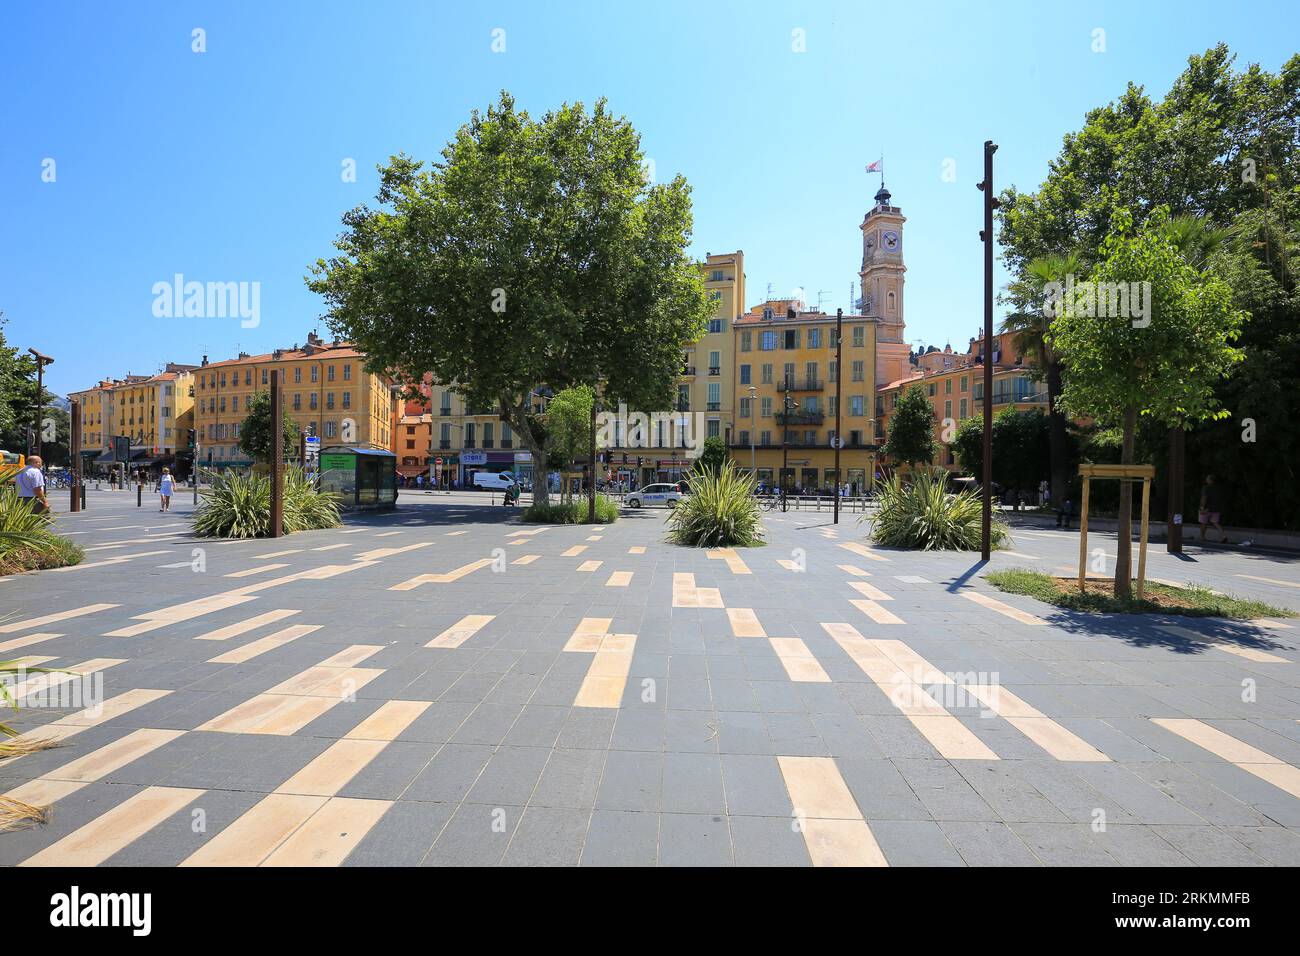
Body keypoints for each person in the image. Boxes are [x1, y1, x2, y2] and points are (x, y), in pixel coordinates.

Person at [1199, 474, 1228, 544]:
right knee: (1215, 523)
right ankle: (1224, 535)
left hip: (1206, 508)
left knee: (1203, 523)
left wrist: (1202, 508)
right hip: (1216, 508)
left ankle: (1202, 537)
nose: (1206, 479)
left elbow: (1204, 498)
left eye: (1207, 478)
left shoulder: (1206, 488)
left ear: (1210, 480)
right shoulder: (1218, 488)